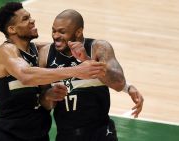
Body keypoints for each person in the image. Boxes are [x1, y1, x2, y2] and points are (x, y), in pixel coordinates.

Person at [0, 3, 107, 141]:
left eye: (30, 17)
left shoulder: (40, 50)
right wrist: (77, 71)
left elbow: (73, 44)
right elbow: (26, 75)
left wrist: (48, 96)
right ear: (12, 29)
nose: (32, 20)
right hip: (10, 135)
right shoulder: (6, 51)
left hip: (39, 134)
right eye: (25, 19)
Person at [39, 9, 144, 141]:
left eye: (62, 32)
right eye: (53, 30)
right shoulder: (45, 54)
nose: (55, 35)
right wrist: (49, 96)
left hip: (100, 133)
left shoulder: (98, 47)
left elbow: (118, 83)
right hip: (66, 135)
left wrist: (87, 60)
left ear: (78, 32)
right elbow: (45, 103)